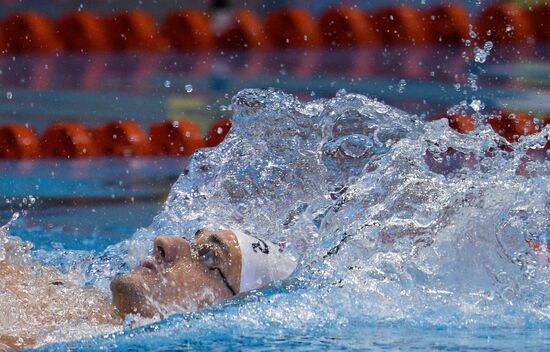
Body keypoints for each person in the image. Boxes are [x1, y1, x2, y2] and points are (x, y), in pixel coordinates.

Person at [0, 228, 295, 350]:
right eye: (189, 239)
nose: (164, 241)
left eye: (208, 257)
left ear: (227, 308)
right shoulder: (59, 294)